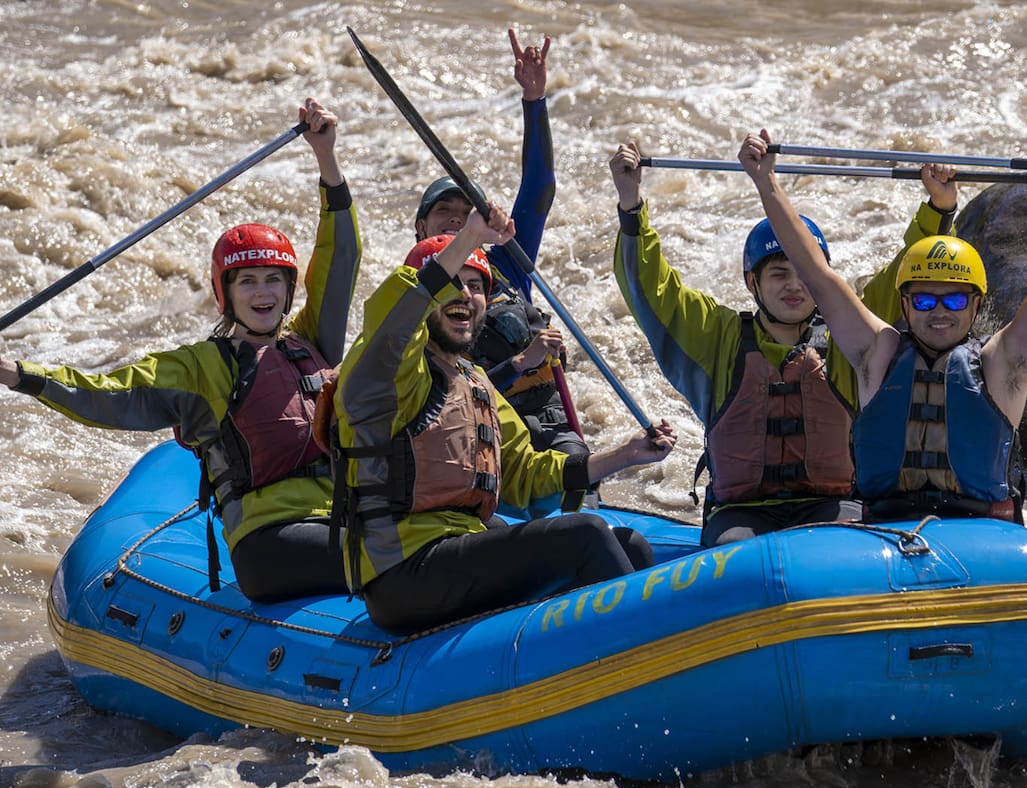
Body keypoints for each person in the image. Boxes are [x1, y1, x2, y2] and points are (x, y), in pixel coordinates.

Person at [0, 98, 361, 602]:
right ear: (225, 293)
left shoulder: (312, 341)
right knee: (395, 549)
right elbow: (108, 393)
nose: (263, 293)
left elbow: (340, 256)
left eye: (274, 281)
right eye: (249, 282)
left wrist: (327, 158)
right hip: (270, 539)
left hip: (342, 516)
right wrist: (17, 373)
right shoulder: (201, 369)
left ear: (289, 288)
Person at [331, 204, 676, 633]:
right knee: (585, 536)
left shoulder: (474, 381)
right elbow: (397, 314)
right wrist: (471, 237)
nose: (464, 295)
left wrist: (625, 455)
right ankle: (641, 663)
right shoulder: (384, 373)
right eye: (453, 282)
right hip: (403, 571)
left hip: (461, 548)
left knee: (631, 543)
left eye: (476, 286)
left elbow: (527, 472)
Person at [738, 127, 1027, 522]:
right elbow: (816, 273)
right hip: (886, 527)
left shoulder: (1003, 364)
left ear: (976, 304)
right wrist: (767, 183)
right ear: (904, 303)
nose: (939, 311)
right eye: (923, 299)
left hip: (981, 530)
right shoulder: (875, 353)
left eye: (953, 299)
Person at [608, 142, 957, 548]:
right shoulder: (717, 336)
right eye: (778, 274)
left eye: (803, 273)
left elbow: (904, 277)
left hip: (833, 505)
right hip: (742, 514)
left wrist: (938, 206)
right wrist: (631, 205)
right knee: (734, 548)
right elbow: (650, 288)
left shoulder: (851, 336)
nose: (794, 285)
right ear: (752, 283)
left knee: (849, 545)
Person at [413, 30, 592, 515]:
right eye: (442, 211)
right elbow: (430, 388)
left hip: (548, 431)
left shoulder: (508, 263)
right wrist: (518, 365)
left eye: (463, 211)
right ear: (420, 228)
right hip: (475, 444)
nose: (454, 218)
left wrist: (534, 98)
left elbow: (540, 187)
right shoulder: (411, 297)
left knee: (578, 478)